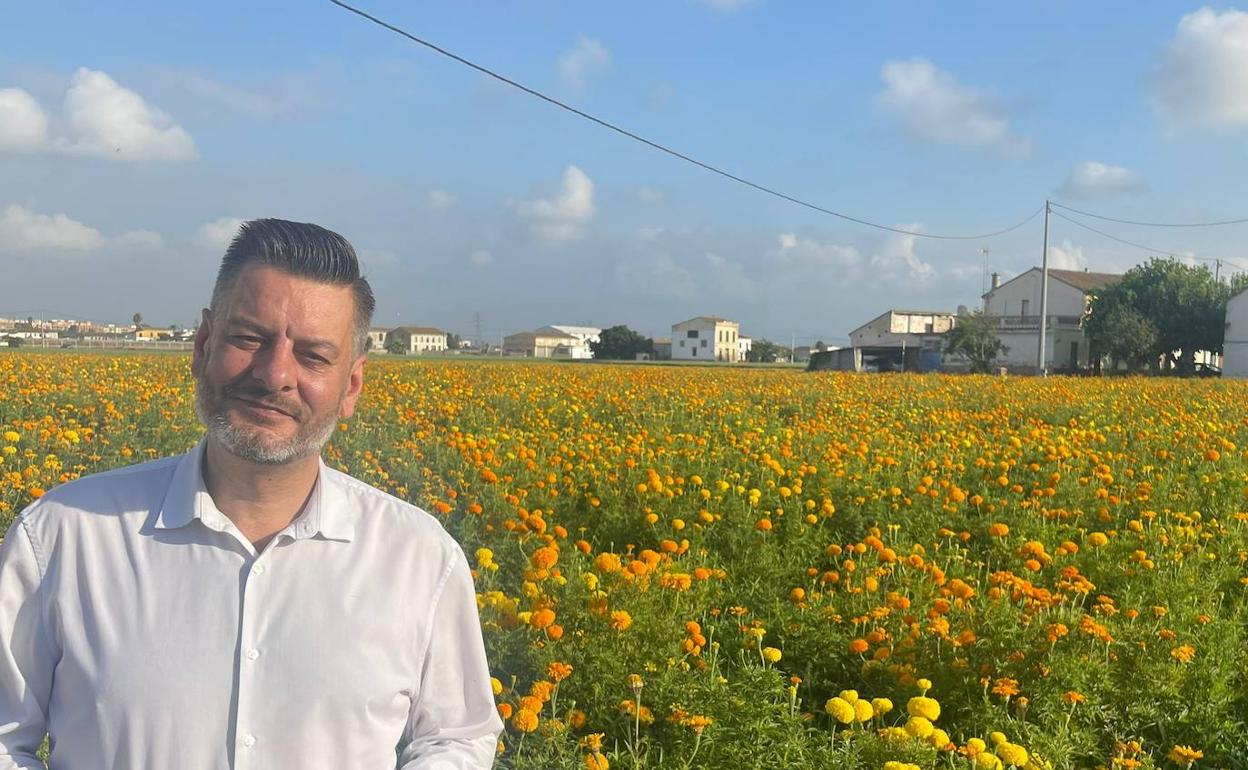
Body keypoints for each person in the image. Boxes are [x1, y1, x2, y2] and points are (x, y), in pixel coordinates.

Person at [0, 219, 503, 769]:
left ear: (352, 385)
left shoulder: (418, 557)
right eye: (249, 339)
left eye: (313, 355)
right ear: (202, 345)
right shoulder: (61, 536)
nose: (274, 375)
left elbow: (457, 736)